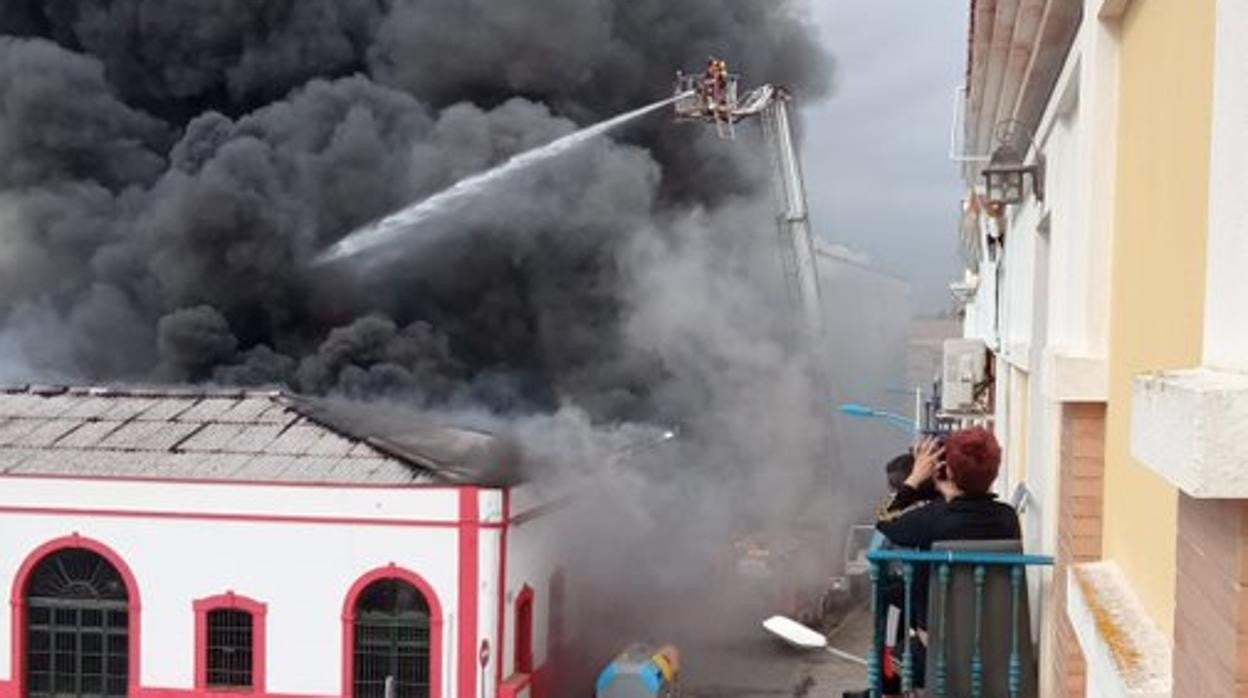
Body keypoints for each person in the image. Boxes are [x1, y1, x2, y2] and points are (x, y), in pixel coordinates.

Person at [845, 428, 1020, 698]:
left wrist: (916, 477)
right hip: (993, 642)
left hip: (936, 646)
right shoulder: (1008, 518)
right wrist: (949, 488)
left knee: (892, 642)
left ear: (947, 472)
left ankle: (886, 691)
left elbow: (885, 519)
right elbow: (968, 511)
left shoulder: (933, 519)